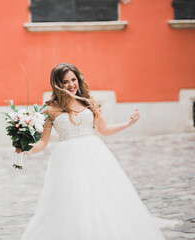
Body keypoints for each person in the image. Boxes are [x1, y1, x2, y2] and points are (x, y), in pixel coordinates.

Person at [19, 63, 166, 240]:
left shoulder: (88, 101)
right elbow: (43, 142)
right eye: (65, 81)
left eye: (73, 79)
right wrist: (25, 148)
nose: (71, 84)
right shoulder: (50, 109)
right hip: (68, 161)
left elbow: (103, 129)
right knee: (76, 198)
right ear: (57, 84)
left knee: (103, 197)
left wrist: (128, 123)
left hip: (95, 155)